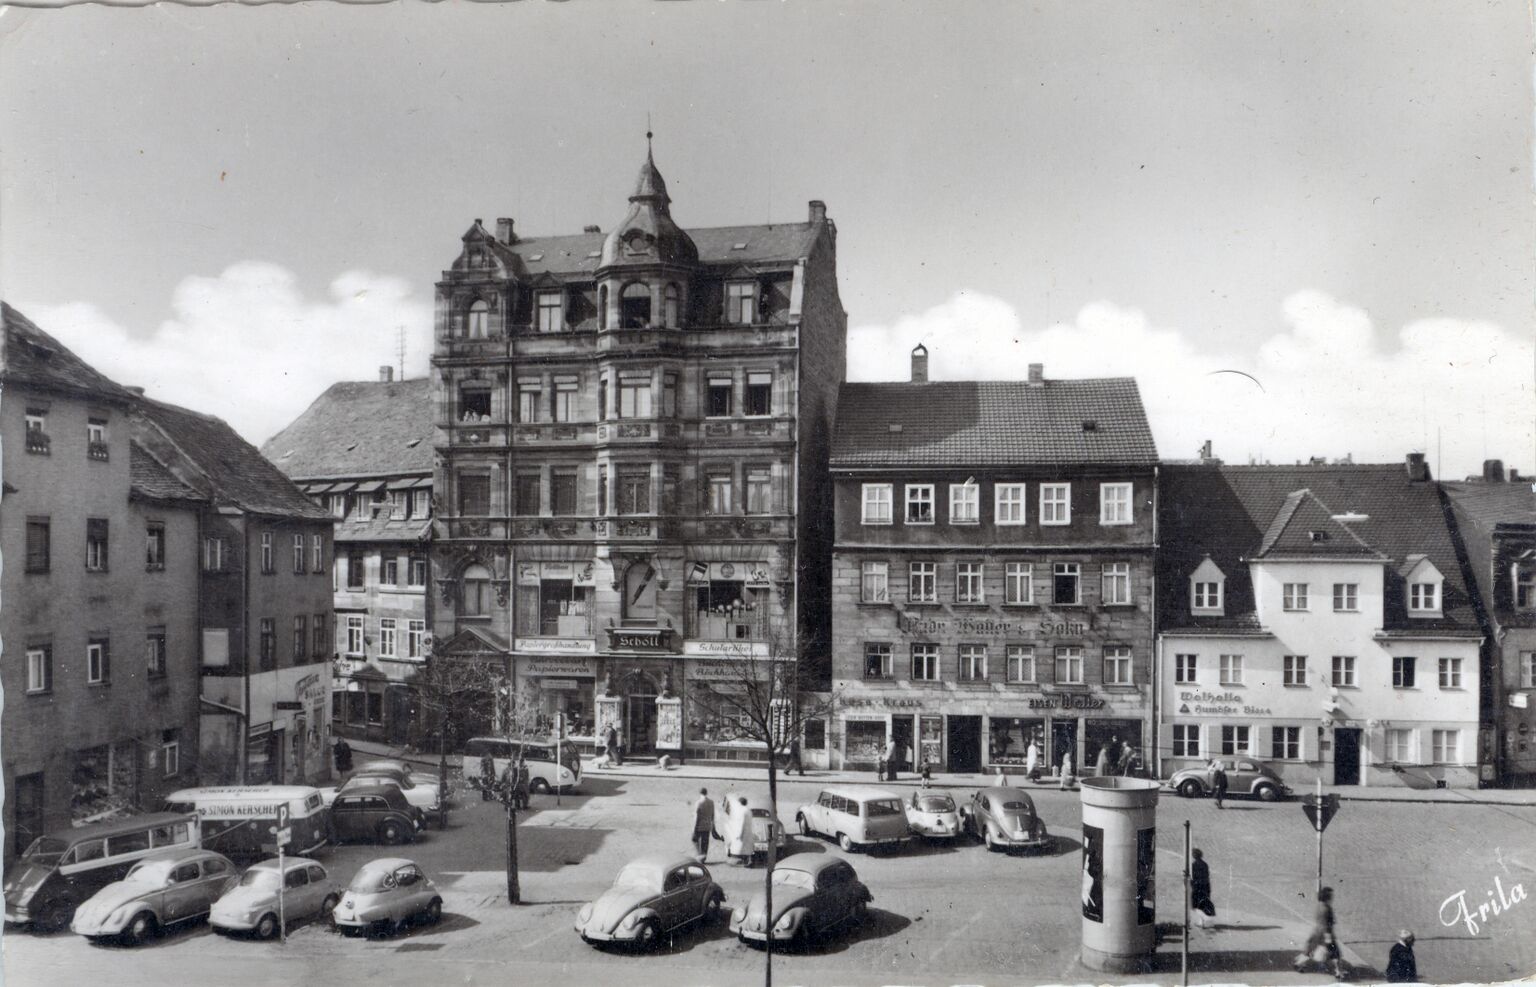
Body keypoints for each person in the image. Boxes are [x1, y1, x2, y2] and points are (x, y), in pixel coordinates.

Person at [1297, 886, 1346, 979]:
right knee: (1336, 954)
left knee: (1309, 950)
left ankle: (1299, 964)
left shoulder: (1319, 906)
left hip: (1316, 932)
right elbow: (1327, 924)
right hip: (1326, 934)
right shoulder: (1328, 909)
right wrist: (1328, 938)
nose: (1333, 898)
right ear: (1328, 897)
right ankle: (1338, 972)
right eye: (1331, 896)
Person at [1190, 848, 1215, 929]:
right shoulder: (1205, 864)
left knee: (1195, 905)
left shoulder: (1194, 865)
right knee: (1203, 904)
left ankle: (1204, 920)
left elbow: (1193, 876)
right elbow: (1207, 875)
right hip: (1206, 886)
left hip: (1197, 887)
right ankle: (1202, 922)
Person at [691, 787, 716, 861]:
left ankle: (699, 855)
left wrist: (694, 828)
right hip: (707, 825)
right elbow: (713, 815)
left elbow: (696, 816)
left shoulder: (698, 802)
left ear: (700, 793)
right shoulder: (711, 802)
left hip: (699, 826)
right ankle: (703, 857)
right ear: (706, 793)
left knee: (694, 839)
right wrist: (712, 825)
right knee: (705, 842)